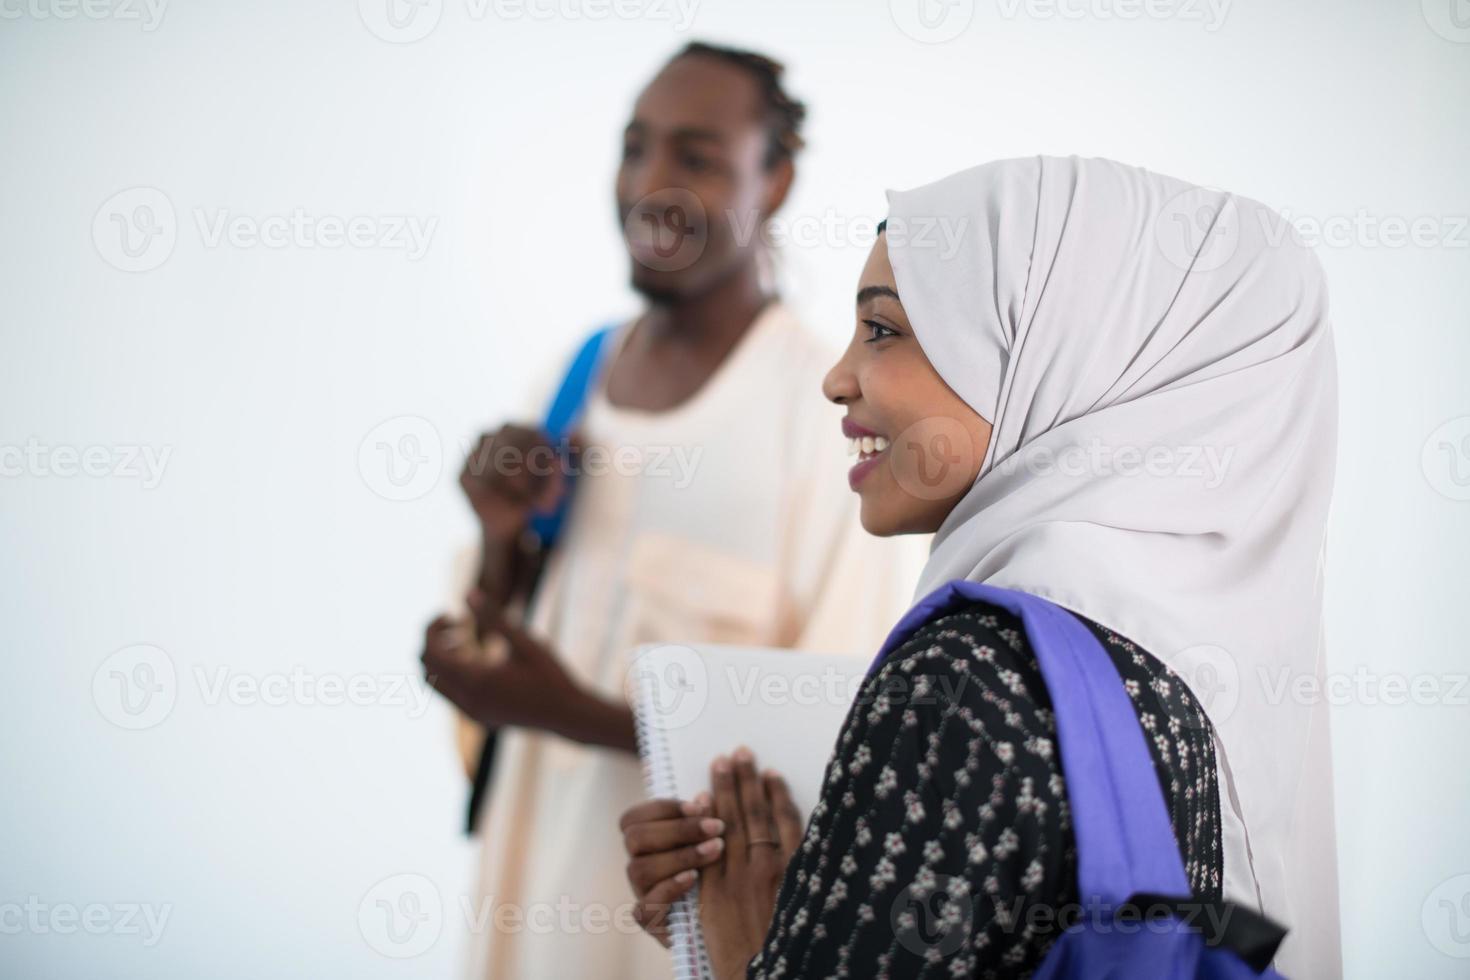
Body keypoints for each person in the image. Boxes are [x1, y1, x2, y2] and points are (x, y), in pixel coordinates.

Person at [620, 156, 1340, 978]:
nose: (836, 377)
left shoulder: (965, 674)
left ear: (1056, 354)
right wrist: (821, 905)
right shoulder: (1188, 690)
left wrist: (741, 932)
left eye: (884, 329)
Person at [420, 43, 923, 980]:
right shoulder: (577, 377)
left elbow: (838, 749)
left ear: (772, 178)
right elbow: (495, 663)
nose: (649, 183)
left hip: (680, 947)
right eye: (635, 147)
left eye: (694, 156)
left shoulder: (821, 417)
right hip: (526, 924)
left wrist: (575, 715)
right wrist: (497, 542)